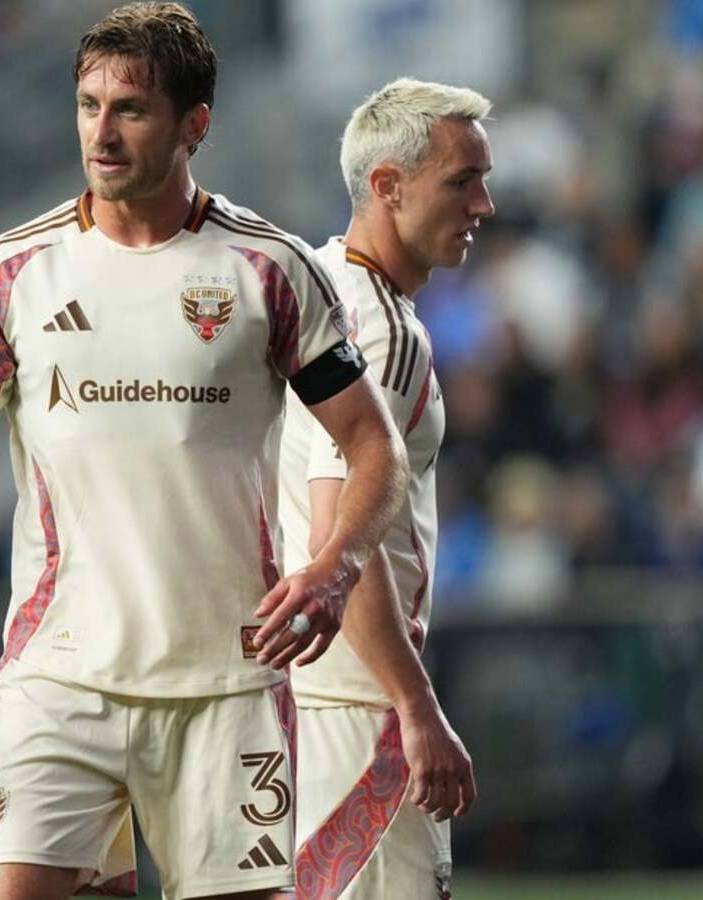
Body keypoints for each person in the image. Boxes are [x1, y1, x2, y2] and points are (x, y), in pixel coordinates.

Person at [0, 5, 407, 899]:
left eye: (130, 109)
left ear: (194, 125)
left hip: (228, 685)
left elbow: (375, 446)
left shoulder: (270, 270)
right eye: (88, 105)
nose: (101, 132)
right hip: (57, 677)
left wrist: (335, 570)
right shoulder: (11, 273)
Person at [277, 78, 494, 900]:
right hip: (355, 708)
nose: (484, 205)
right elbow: (340, 544)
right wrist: (414, 703)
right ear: (387, 186)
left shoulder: (310, 284)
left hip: (284, 705)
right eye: (462, 181)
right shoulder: (384, 333)